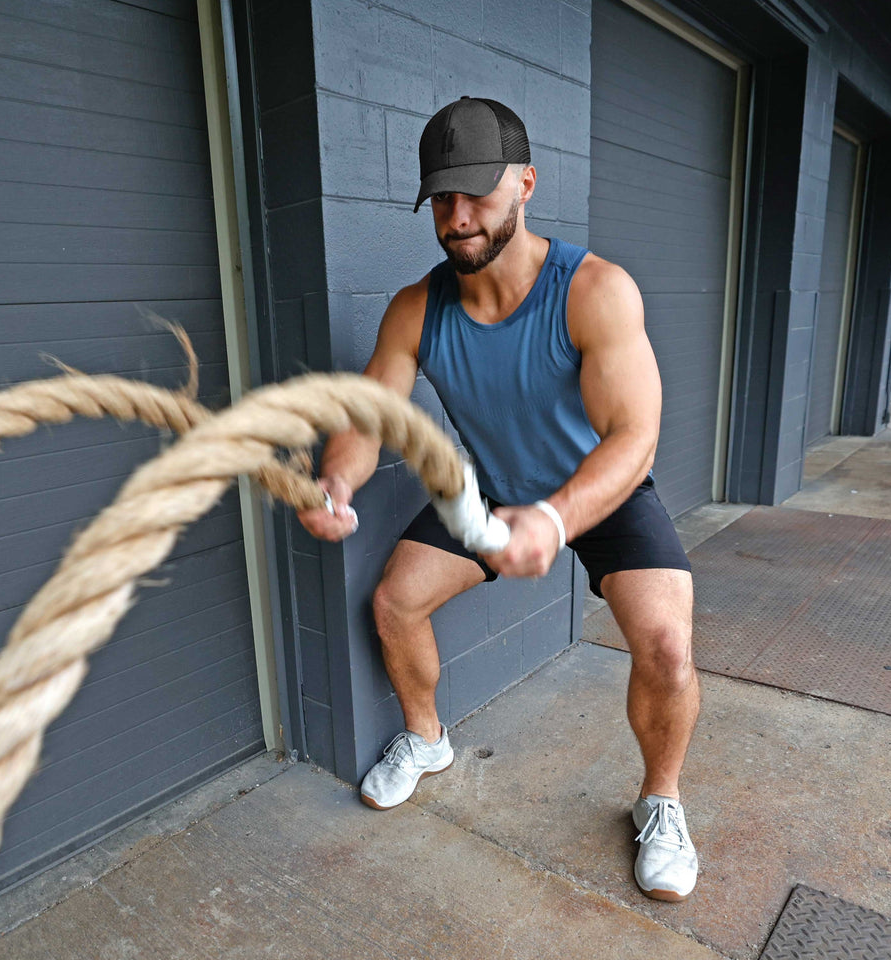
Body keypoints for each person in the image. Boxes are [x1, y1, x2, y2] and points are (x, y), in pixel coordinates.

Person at [296, 96, 700, 902]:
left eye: (477, 193)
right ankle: (427, 739)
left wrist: (555, 517)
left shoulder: (595, 290)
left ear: (526, 184)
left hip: (600, 487)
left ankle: (661, 800)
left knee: (666, 646)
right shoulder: (417, 309)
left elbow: (634, 437)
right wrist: (337, 480)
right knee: (394, 602)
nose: (458, 216)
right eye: (441, 197)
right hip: (494, 487)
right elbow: (367, 417)